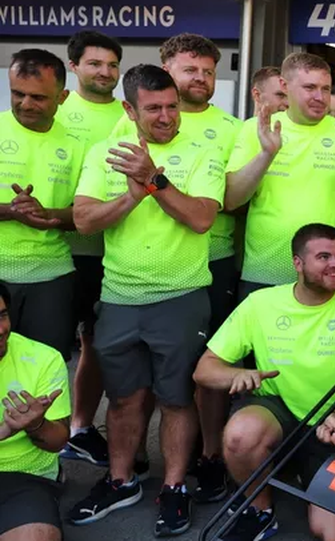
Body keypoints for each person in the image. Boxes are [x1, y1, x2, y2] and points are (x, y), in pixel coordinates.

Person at [66, 64, 224, 536]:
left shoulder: (203, 151)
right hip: (118, 297)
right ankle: (120, 482)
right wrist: (132, 197)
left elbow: (201, 219)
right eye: (153, 108)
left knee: (176, 398)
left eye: (172, 106)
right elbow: (85, 220)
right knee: (122, 399)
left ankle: (173, 487)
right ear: (129, 109)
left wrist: (154, 180)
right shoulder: (103, 153)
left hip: (180, 296)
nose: (166, 116)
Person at [193, 224, 335, 541]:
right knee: (241, 434)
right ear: (298, 263)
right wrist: (237, 374)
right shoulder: (261, 303)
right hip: (277, 411)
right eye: (323, 256)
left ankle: (303, 473)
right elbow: (204, 370)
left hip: (330, 424)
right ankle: (260, 511)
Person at [155, 34, 245, 502]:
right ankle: (162, 458)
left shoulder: (233, 128)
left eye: (208, 71)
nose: (201, 79)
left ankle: (209, 456)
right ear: (165, 67)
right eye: (190, 69)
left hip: (214, 264)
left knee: (211, 364)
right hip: (153, 271)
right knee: (158, 373)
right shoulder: (138, 123)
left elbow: (237, 202)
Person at [225, 53, 335, 296]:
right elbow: (231, 199)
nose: (319, 97)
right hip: (265, 275)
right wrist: (266, 154)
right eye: (310, 87)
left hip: (328, 276)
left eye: (325, 89)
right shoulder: (257, 128)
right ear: (285, 86)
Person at [58, 30, 126, 467]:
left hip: (114, 251)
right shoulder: (59, 110)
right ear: (74, 66)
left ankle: (80, 428)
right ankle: (41, 432)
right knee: (49, 350)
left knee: (96, 346)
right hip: (60, 251)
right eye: (95, 64)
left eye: (111, 65)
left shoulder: (128, 113)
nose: (105, 72)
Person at [0, 50, 85, 360]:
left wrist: (47, 214)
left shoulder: (77, 146)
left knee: (46, 374)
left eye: (38, 97)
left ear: (62, 97)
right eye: (17, 93)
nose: (25, 103)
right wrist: (11, 211)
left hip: (51, 278)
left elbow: (87, 215)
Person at [0, 282, 72, 541]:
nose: (1, 329)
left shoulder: (43, 359)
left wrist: (36, 425)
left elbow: (57, 441)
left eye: (2, 315)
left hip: (23, 477)